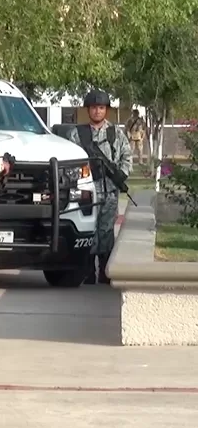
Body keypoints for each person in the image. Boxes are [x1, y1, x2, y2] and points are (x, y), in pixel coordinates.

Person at [64, 89, 132, 284]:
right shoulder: (76, 134)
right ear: (88, 110)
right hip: (85, 191)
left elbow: (126, 157)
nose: (97, 111)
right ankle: (86, 270)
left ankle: (105, 270)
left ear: (106, 110)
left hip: (109, 190)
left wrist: (121, 174)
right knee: (87, 229)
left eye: (101, 108)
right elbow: (69, 161)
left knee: (106, 230)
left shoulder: (116, 134)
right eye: (94, 108)